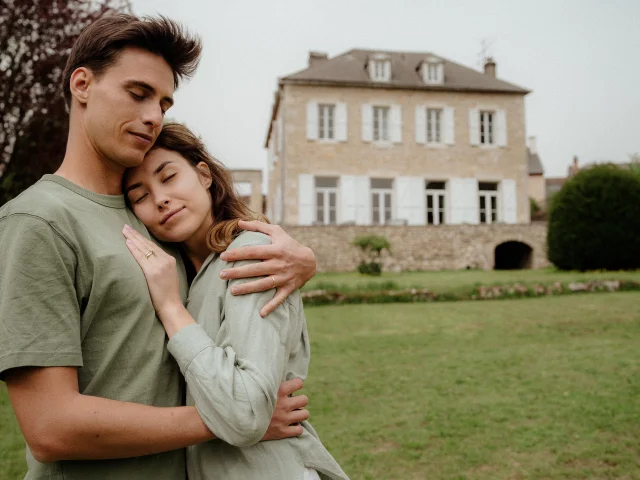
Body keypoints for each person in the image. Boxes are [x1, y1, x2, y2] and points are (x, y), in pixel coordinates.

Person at [0, 14, 316, 480]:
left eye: (164, 103)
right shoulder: (39, 221)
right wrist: (231, 418)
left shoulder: (155, 222)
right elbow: (50, 428)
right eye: (138, 93)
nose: (154, 115)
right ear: (82, 84)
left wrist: (305, 259)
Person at [121, 122, 349, 480]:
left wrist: (171, 309)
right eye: (140, 196)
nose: (160, 198)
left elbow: (245, 412)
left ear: (204, 176)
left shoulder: (248, 255)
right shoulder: (181, 275)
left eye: (168, 177)